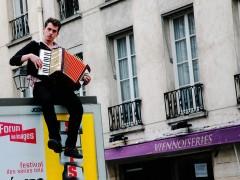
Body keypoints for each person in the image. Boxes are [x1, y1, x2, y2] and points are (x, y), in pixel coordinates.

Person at [9, 17, 91, 159]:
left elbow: (71, 77)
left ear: (57, 34)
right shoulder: (34, 46)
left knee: (77, 107)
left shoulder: (60, 51)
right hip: (40, 85)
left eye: (54, 31)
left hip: (58, 88)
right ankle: (55, 139)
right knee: (46, 99)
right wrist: (30, 56)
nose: (50, 33)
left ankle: (71, 146)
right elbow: (13, 60)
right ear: (44, 29)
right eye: (49, 29)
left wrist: (83, 78)